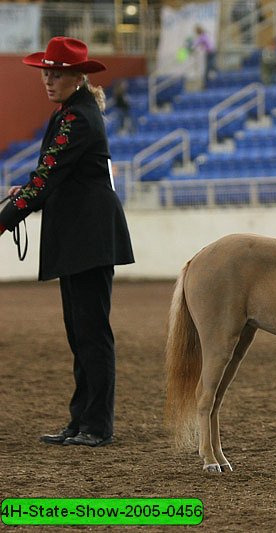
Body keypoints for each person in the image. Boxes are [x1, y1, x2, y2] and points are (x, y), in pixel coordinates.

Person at [0, 37, 135, 447]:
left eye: (56, 73)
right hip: (82, 238)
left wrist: (5, 218)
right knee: (81, 331)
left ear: (78, 76)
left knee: (90, 332)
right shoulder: (73, 114)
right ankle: (82, 420)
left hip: (87, 239)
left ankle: (96, 424)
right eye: (46, 72)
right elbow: (51, 177)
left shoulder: (76, 119)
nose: (48, 79)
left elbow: (45, 179)